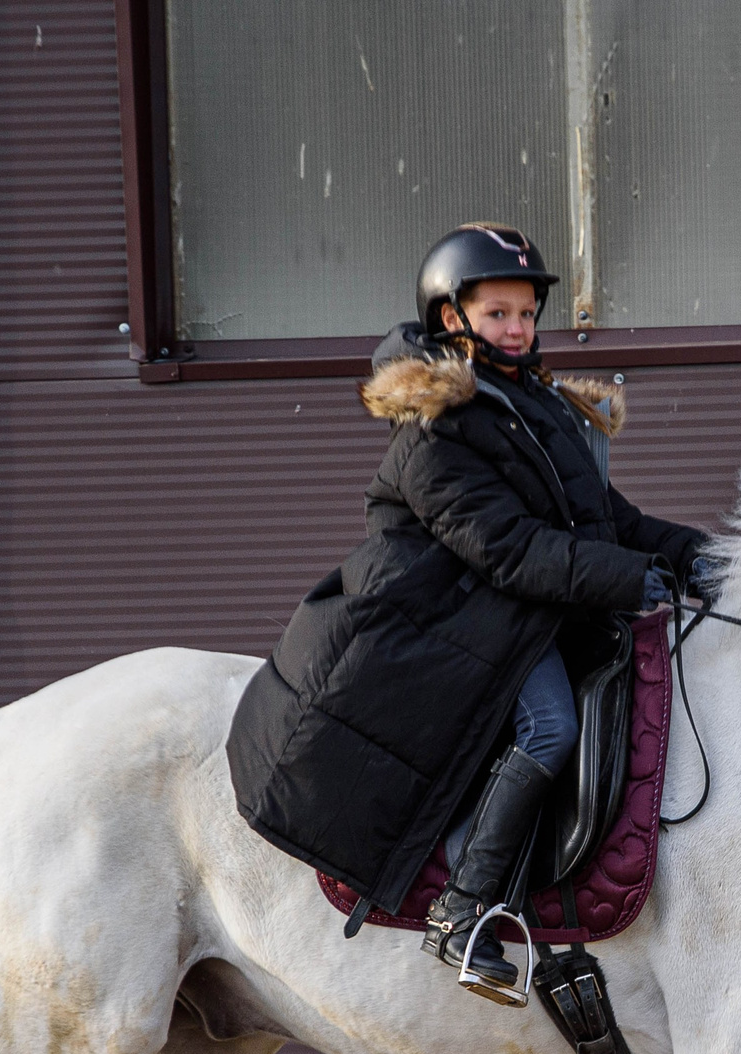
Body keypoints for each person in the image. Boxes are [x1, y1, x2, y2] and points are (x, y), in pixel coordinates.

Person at [225, 223, 710, 1003]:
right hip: (444, 618)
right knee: (550, 726)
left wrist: (691, 554)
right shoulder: (435, 427)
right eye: (497, 315)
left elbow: (605, 519)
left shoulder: (534, 403)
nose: (516, 328)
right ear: (453, 318)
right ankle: (464, 909)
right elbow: (511, 550)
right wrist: (631, 579)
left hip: (511, 608)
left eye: (525, 313)